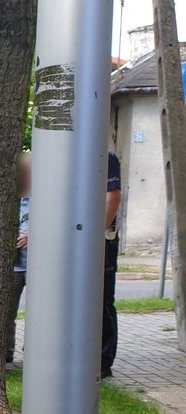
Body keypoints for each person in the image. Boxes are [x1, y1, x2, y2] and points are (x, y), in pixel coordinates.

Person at [6, 153, 32, 364]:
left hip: (37, 266)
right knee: (7, 314)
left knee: (38, 314)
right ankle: (6, 353)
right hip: (14, 266)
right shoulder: (9, 200)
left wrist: (33, 235)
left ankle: (33, 352)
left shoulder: (46, 198)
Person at [102, 152, 122, 378]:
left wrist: (97, 233)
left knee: (102, 300)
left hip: (102, 241)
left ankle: (103, 361)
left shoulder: (105, 158)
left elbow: (113, 196)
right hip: (77, 237)